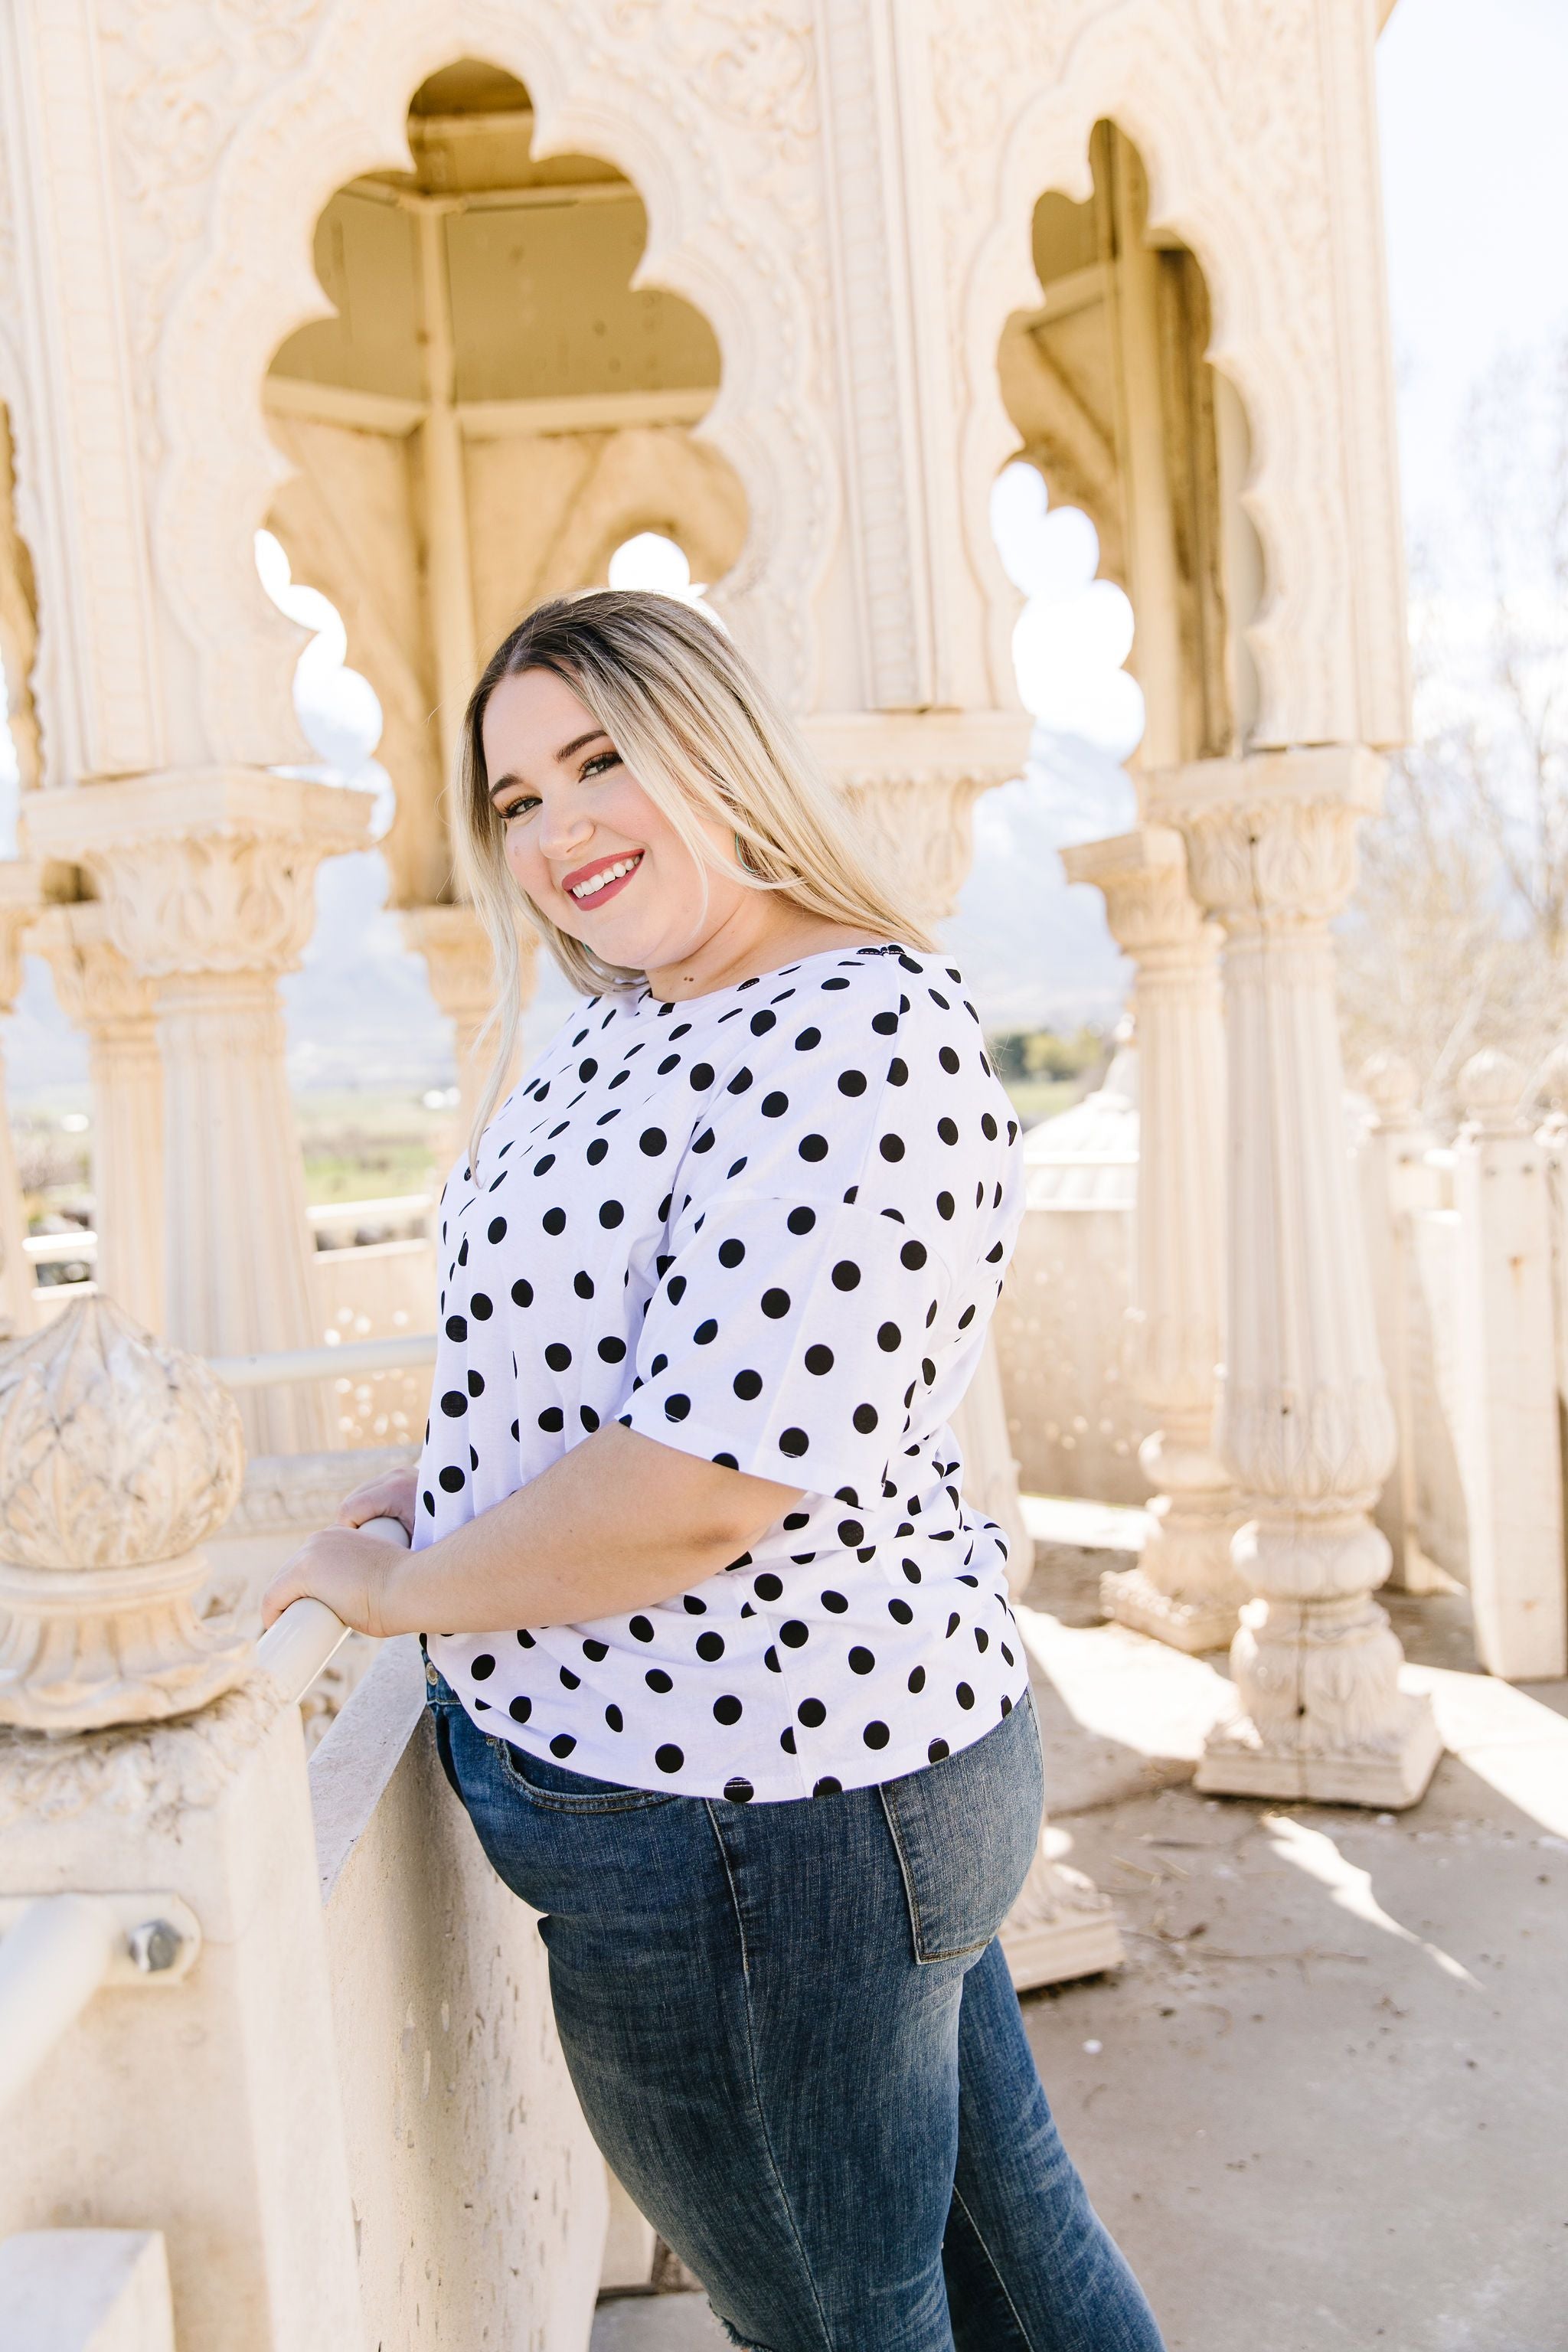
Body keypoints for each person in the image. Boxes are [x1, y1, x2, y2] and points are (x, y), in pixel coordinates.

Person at [263, 590, 1165, 2352]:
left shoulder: (852, 1031)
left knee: (847, 2322)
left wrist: (400, 1591)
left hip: (765, 1822)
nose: (560, 828)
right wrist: (456, 1479)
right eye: (517, 797)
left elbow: (703, 1481)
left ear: (717, 743)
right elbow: (605, 1353)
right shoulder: (635, 1013)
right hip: (760, 1808)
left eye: (601, 760)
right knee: (1011, 2279)